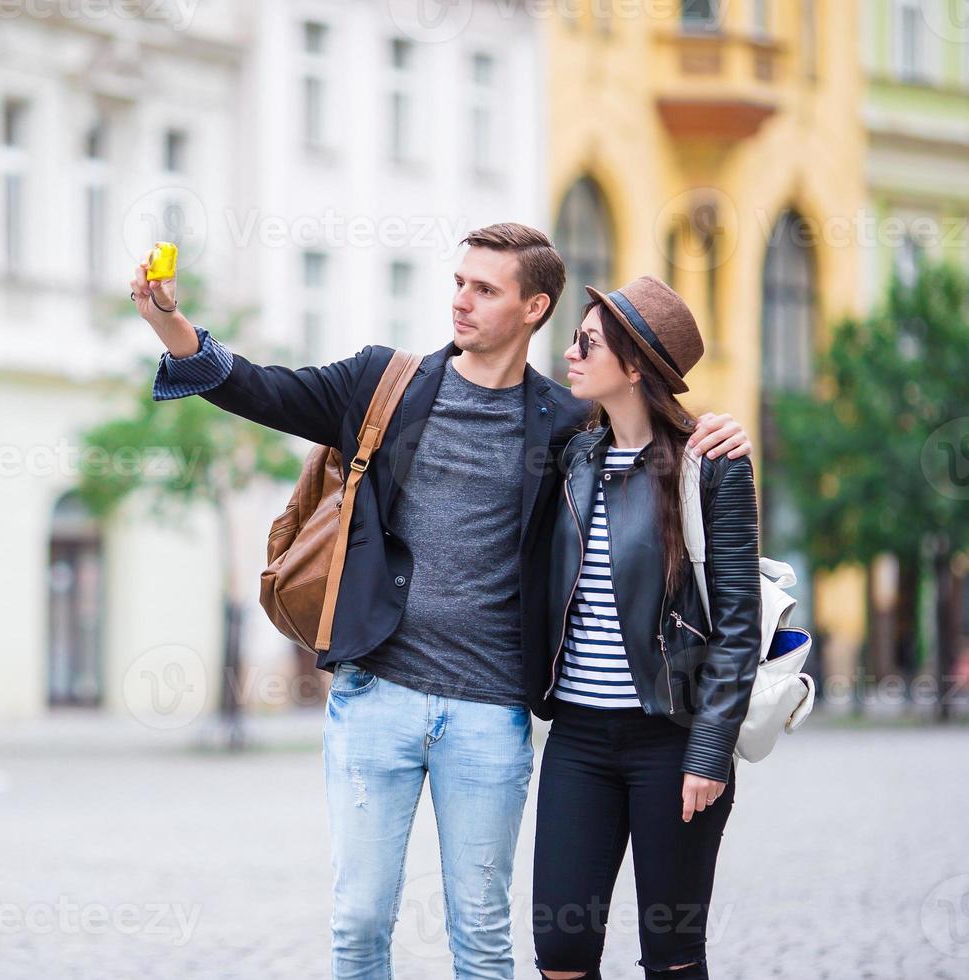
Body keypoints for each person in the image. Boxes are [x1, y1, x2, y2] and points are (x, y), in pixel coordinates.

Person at [130, 227, 752, 980]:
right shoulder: (382, 386)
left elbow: (649, 429)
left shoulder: (564, 424)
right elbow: (265, 388)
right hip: (375, 698)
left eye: (484, 289)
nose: (461, 299)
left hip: (491, 713)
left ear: (534, 307)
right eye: (459, 281)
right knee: (359, 922)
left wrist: (716, 429)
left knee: (484, 936)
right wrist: (172, 324)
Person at [531, 276, 761, 980]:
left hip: (672, 744)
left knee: (672, 958)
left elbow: (739, 626)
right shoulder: (574, 457)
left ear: (634, 368)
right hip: (577, 739)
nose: (569, 352)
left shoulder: (711, 468)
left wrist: (709, 751)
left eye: (587, 342)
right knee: (561, 952)